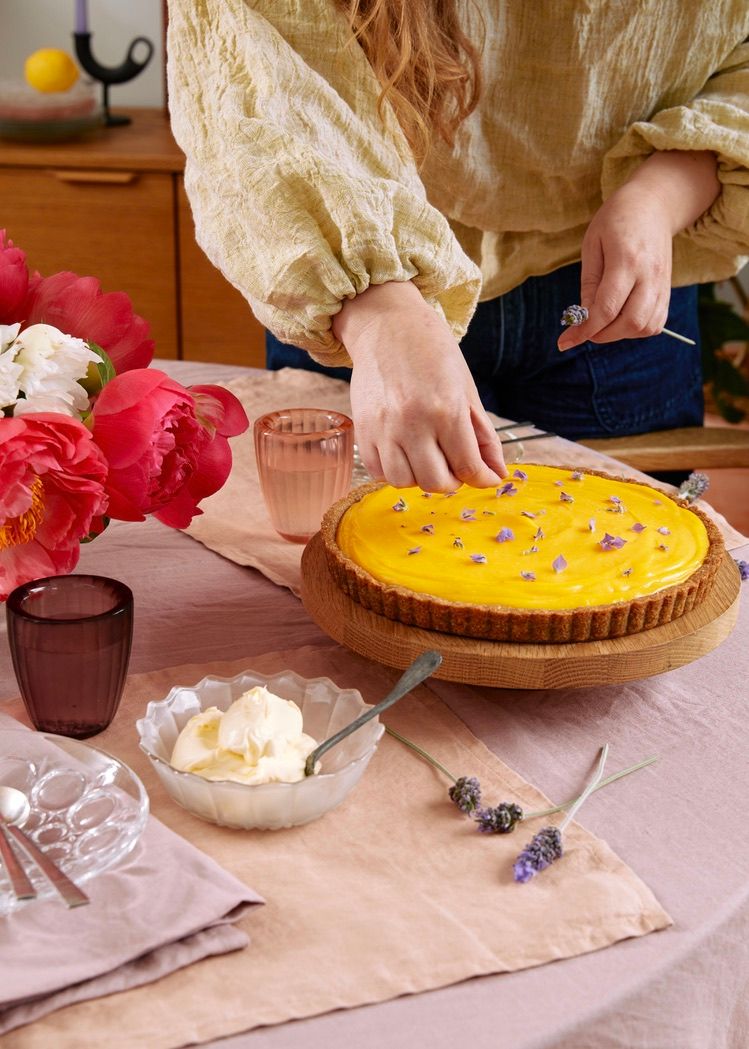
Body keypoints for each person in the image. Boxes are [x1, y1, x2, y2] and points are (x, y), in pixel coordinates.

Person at [167, 1, 749, 492]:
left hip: (609, 304)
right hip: (359, 298)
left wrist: (658, 196)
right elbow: (250, 62)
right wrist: (377, 314)